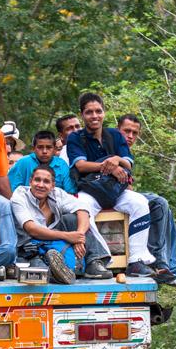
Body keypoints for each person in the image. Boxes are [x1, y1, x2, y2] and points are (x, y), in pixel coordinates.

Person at [67, 93, 156, 278]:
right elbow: (80, 165)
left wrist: (115, 159)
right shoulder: (76, 138)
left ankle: (136, 261)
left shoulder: (115, 134)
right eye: (89, 112)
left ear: (104, 113)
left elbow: (128, 163)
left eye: (98, 111)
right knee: (82, 210)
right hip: (90, 190)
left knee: (140, 203)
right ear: (82, 114)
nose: (94, 116)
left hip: (116, 190)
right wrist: (107, 166)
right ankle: (97, 259)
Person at [117, 113, 176, 287]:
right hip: (110, 197)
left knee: (165, 210)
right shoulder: (112, 146)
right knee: (159, 203)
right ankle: (158, 263)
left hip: (123, 195)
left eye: (135, 133)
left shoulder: (126, 152)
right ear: (117, 130)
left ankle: (168, 265)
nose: (130, 136)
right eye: (126, 131)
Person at [11, 166, 112, 283]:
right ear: (30, 182)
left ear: (53, 185)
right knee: (37, 268)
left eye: (46, 181)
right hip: (29, 245)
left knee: (73, 218)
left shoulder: (57, 193)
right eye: (37, 180)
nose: (41, 185)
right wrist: (67, 236)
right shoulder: (19, 195)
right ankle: (56, 273)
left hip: (53, 240)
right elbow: (31, 229)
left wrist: (79, 237)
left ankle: (93, 262)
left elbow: (83, 209)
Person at [8, 130, 76, 193]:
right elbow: (11, 189)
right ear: (33, 148)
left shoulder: (62, 164)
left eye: (49, 147)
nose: (44, 151)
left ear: (55, 149)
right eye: (40, 147)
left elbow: (69, 191)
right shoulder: (23, 162)